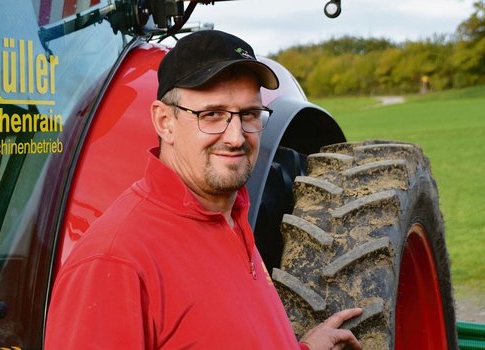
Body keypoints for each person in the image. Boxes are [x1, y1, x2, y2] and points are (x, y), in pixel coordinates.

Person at [45, 30, 362, 350]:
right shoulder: (114, 263)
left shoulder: (231, 214)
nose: (236, 137)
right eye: (212, 115)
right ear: (164, 121)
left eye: (249, 114)